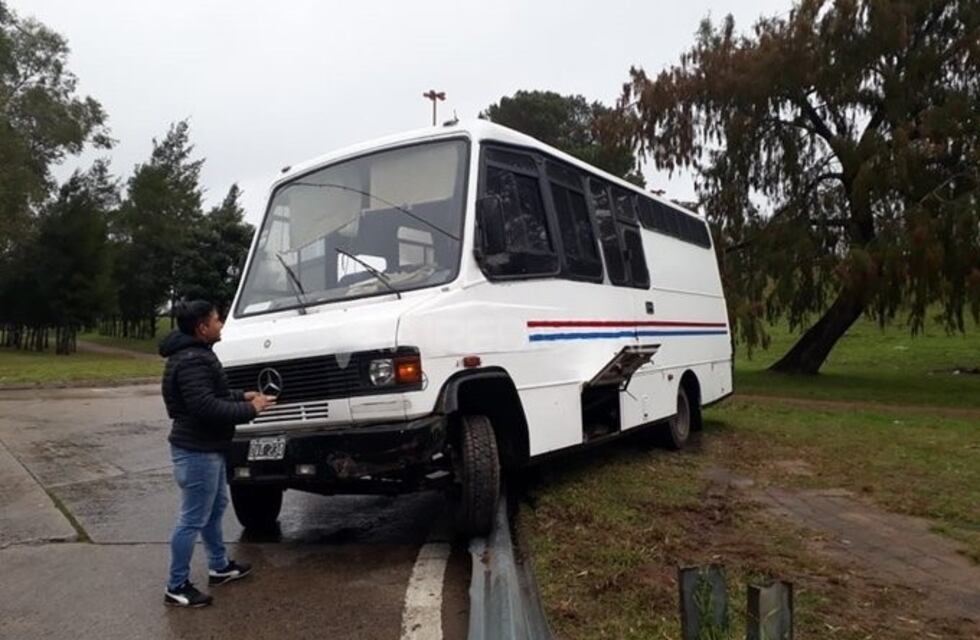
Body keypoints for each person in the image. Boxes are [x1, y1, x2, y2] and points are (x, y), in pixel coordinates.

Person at [159, 300, 275, 608]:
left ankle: (219, 566)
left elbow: (212, 395)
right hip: (196, 450)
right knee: (192, 518)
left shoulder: (194, 356)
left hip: (206, 447)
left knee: (214, 507)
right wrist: (250, 409)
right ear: (202, 328)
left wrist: (242, 395)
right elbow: (204, 407)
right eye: (216, 320)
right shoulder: (193, 360)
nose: (221, 323)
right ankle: (176, 585)